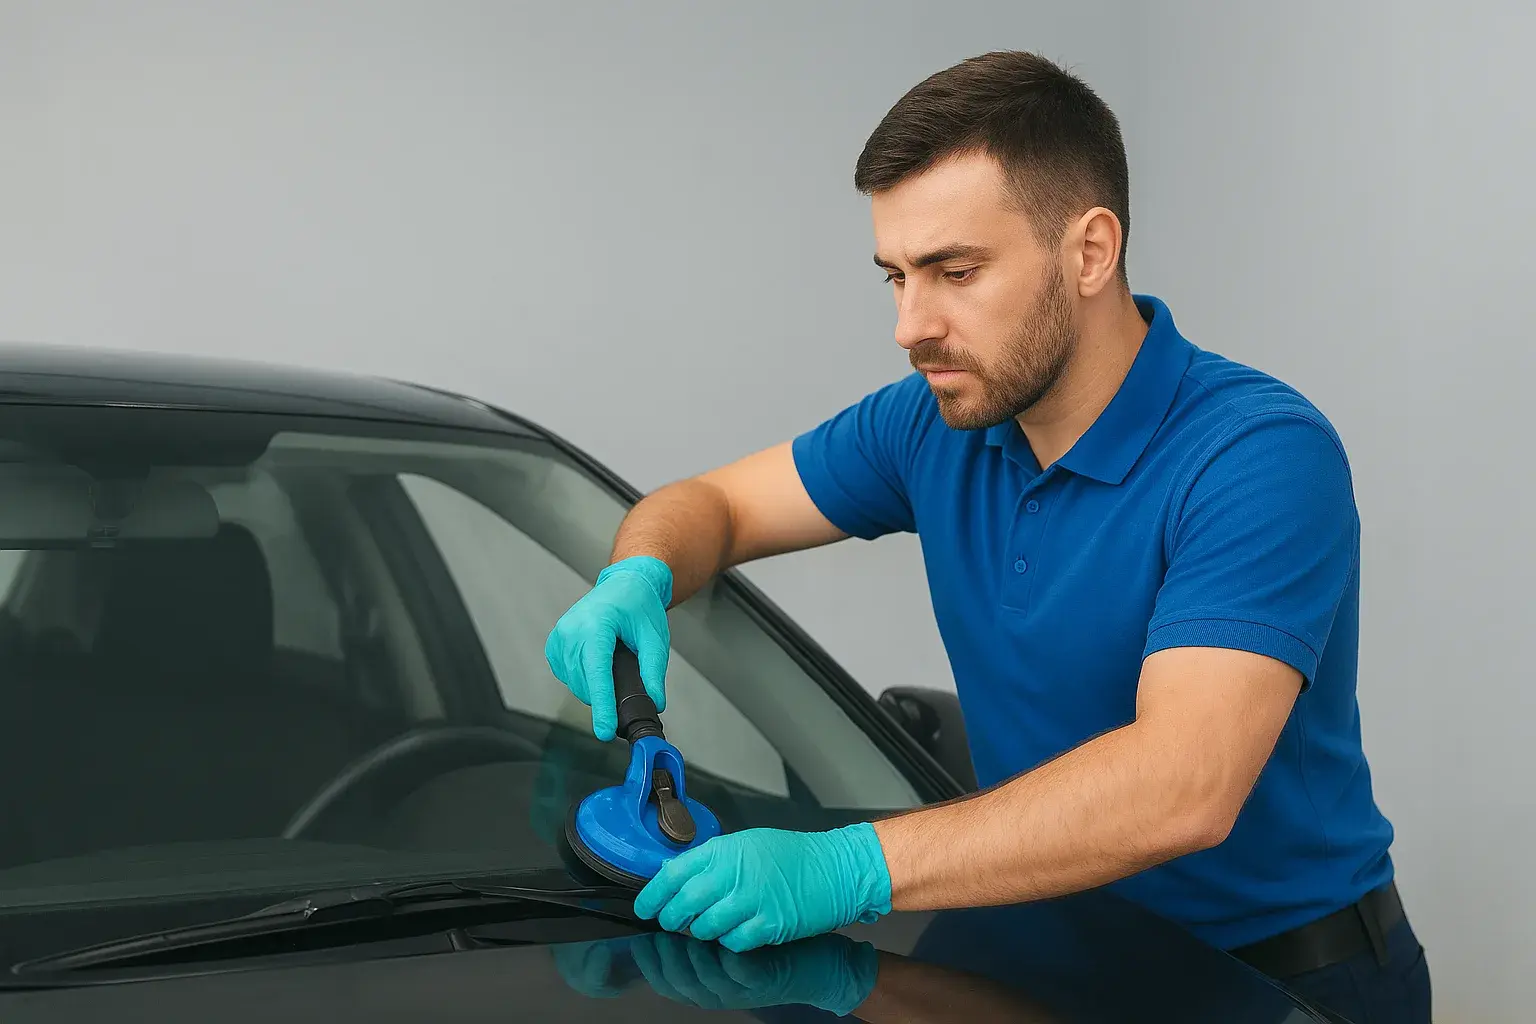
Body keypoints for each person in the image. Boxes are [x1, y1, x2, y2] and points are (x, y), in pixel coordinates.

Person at [544, 50, 1431, 1023]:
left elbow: (1184, 784)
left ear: (1089, 252)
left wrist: (850, 865)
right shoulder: (931, 423)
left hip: (1276, 983)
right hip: (1042, 958)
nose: (909, 326)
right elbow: (714, 503)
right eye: (894, 276)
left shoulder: (1255, 455)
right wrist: (640, 570)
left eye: (953, 271)